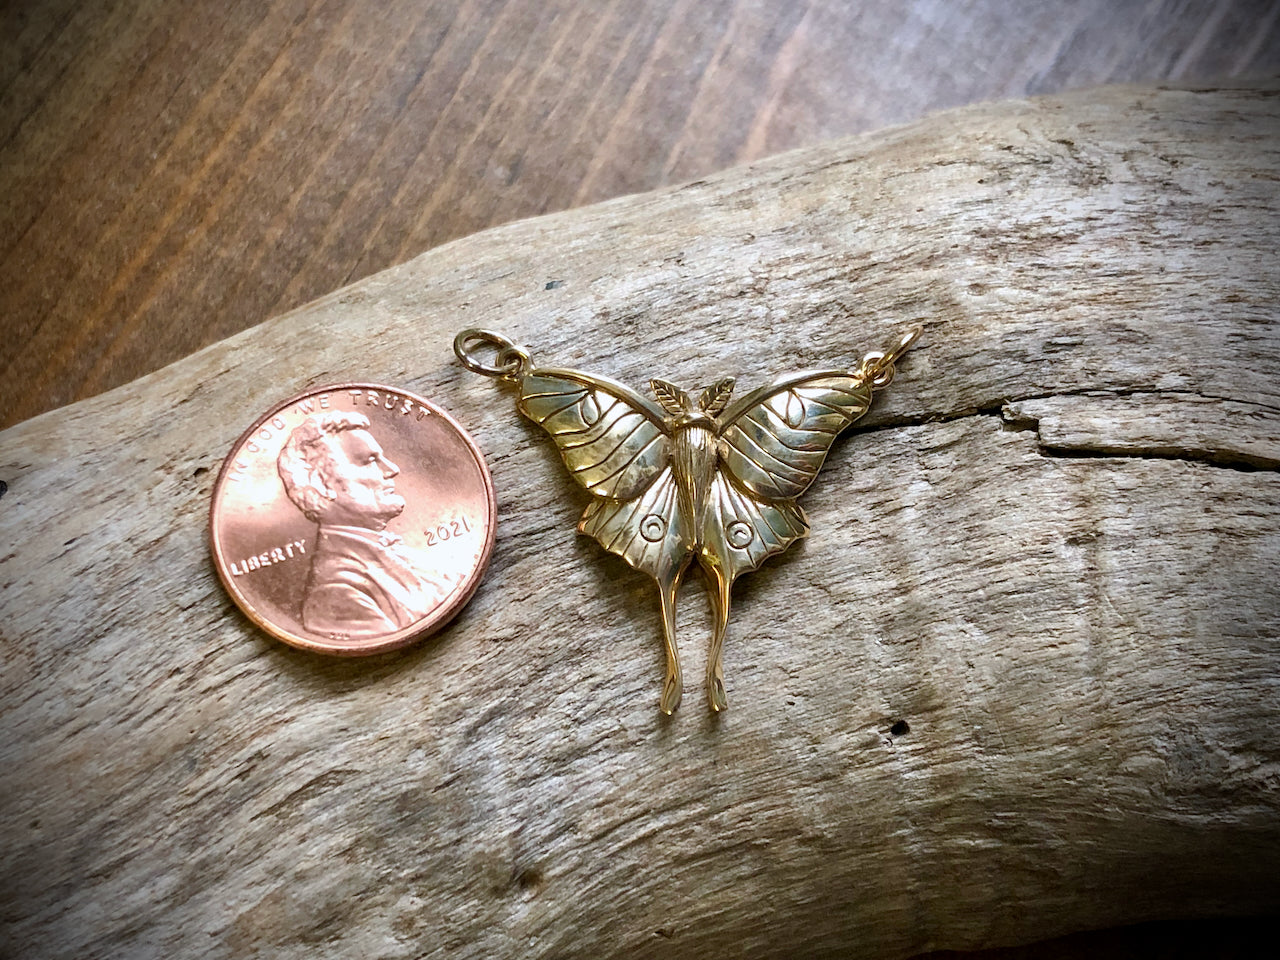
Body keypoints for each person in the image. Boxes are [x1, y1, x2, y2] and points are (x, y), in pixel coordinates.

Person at [277, 411, 450, 639]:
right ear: (320, 483)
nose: (391, 469)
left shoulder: (405, 556)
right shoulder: (336, 595)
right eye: (369, 461)